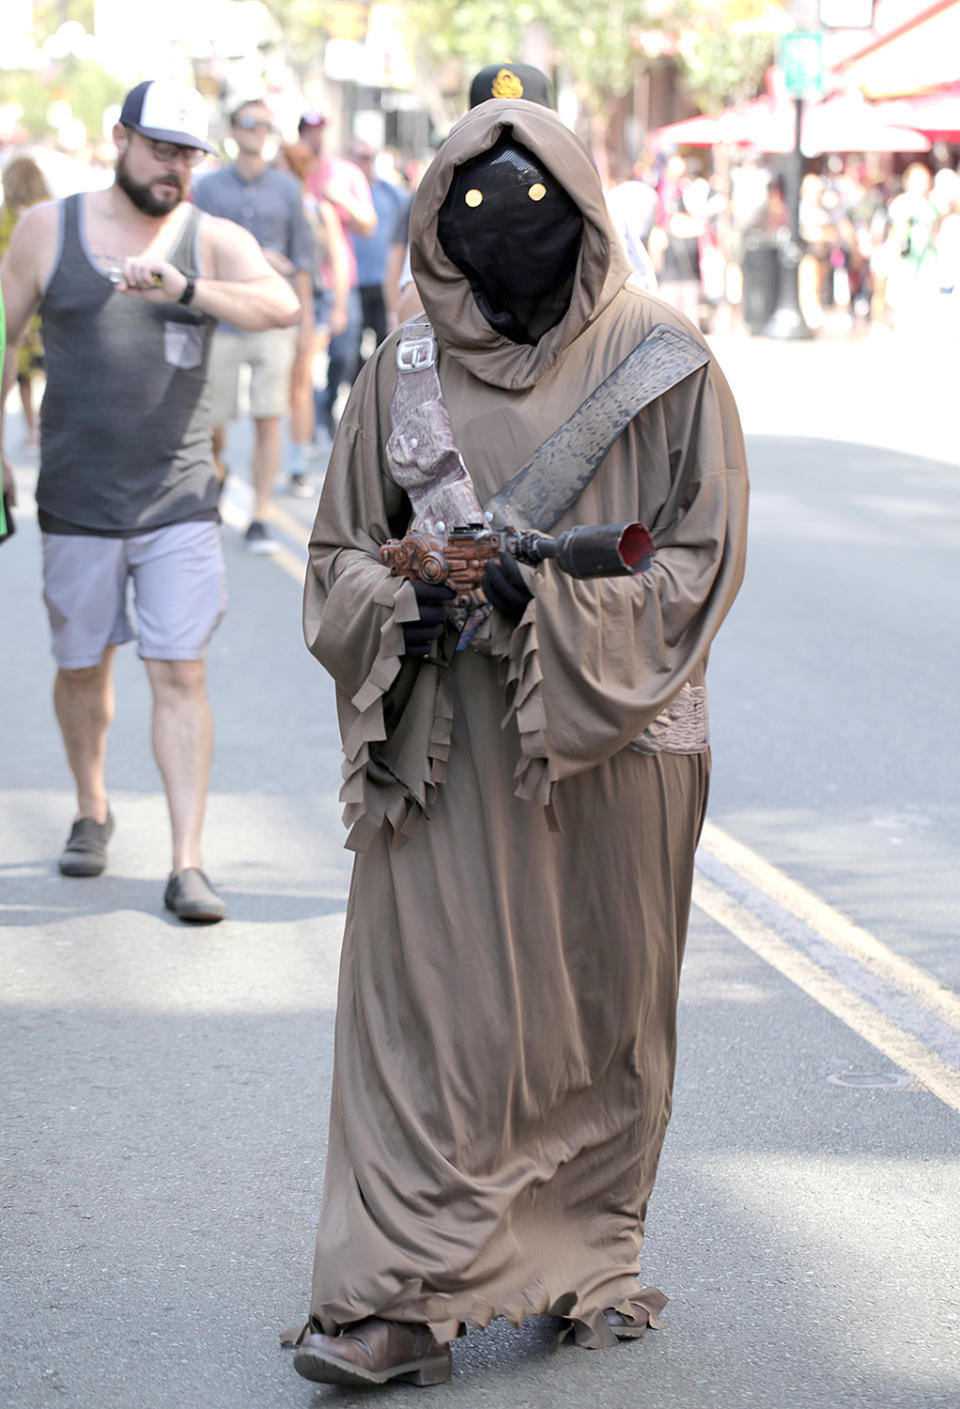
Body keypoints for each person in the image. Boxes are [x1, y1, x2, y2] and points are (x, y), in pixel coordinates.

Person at [285, 97, 748, 1386]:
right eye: (473, 214)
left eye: (537, 215)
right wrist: (411, 591)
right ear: (436, 223)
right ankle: (391, 1298)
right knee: (422, 1021)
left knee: (595, 1016)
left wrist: (544, 596)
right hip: (445, 756)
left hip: (613, 749)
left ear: (591, 215)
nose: (506, 241)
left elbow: (700, 566)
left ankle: (590, 1252)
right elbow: (329, 562)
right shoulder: (400, 373)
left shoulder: (668, 362)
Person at [0, 78, 300, 921]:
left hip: (178, 498)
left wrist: (187, 289)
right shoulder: (45, 230)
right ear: (120, 140)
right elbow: (3, 330)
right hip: (76, 496)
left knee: (180, 668)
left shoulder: (209, 238)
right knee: (81, 669)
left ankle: (186, 863)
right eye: (161, 148)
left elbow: (281, 305)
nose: (174, 168)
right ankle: (92, 808)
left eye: (187, 155)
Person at [193, 98, 315, 540]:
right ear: (233, 129)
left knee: (269, 416)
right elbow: (195, 255)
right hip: (222, 319)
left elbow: (302, 259)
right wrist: (249, 256)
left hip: (272, 319)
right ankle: (219, 473)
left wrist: (305, 321)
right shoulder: (207, 189)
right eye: (249, 123)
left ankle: (260, 513)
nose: (257, 131)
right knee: (212, 425)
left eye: (265, 125)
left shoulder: (286, 188)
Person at [273, 139, 351, 485]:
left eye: (280, 166)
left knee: (300, 380)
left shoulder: (320, 211)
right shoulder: (274, 207)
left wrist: (339, 306)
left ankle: (297, 460)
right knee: (285, 382)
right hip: (276, 298)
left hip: (314, 301)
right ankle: (292, 451)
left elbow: (339, 260)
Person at [297, 111, 376, 440]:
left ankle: (327, 404)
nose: (315, 137)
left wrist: (339, 196)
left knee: (344, 355)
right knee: (301, 361)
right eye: (309, 131)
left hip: (340, 282)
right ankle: (306, 428)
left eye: (320, 131)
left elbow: (368, 225)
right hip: (303, 282)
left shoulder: (345, 174)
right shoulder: (295, 171)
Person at [0, 155, 52, 446]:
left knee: (23, 377)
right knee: (43, 374)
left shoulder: (13, 216)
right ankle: (38, 429)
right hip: (44, 310)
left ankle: (34, 429)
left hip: (18, 308)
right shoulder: (50, 210)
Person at [348, 140, 406, 361]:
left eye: (369, 156)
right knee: (350, 351)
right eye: (360, 156)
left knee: (386, 347)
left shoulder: (390, 192)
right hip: (354, 283)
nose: (366, 162)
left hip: (382, 281)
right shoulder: (341, 192)